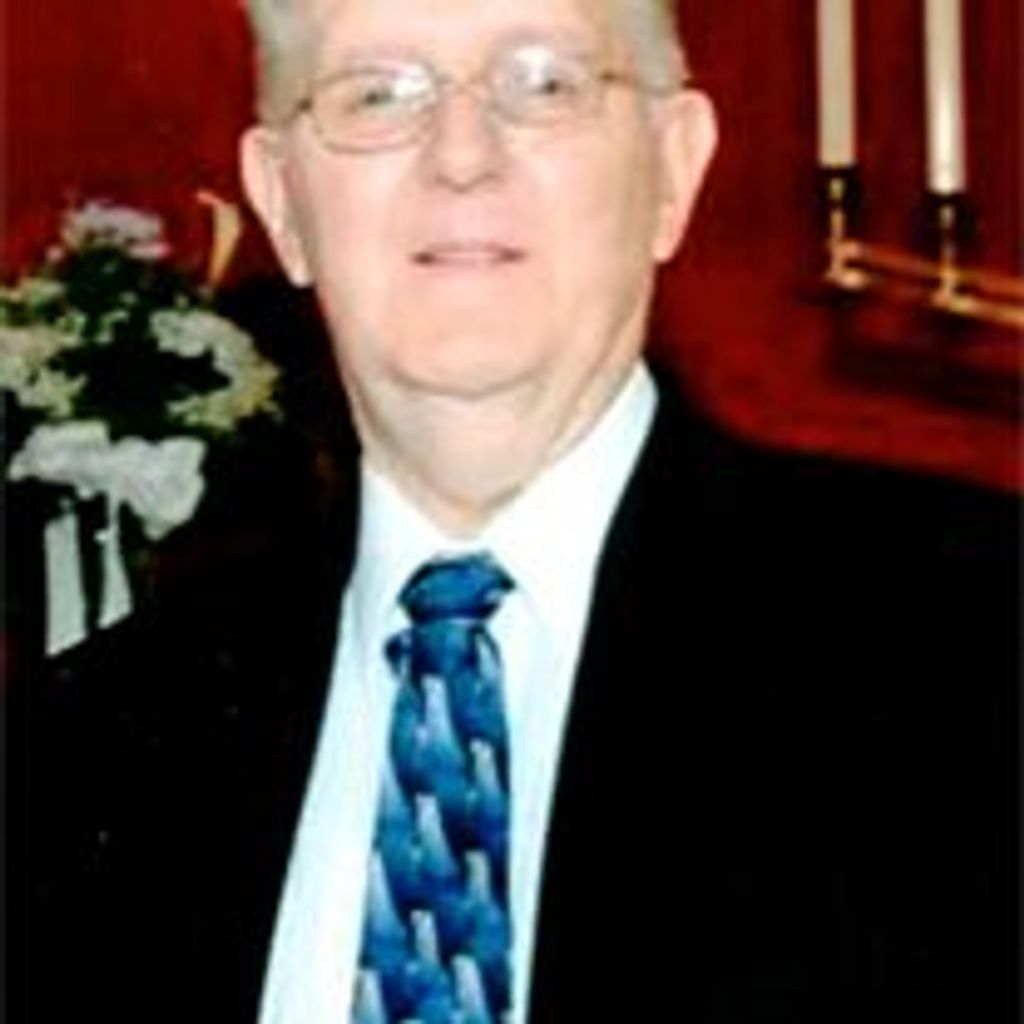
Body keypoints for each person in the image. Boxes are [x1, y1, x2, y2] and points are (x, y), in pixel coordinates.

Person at [11, 2, 1018, 1022]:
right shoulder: (79, 752)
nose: (461, 155)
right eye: (378, 93)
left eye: (544, 84)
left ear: (673, 168)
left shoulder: (972, 649)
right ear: (282, 200)